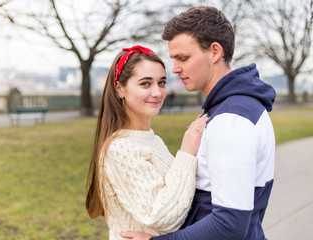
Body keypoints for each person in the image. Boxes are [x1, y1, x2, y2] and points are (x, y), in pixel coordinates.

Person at [120, 6, 276, 240]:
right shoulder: (236, 108)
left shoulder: (231, 121)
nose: (175, 68)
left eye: (183, 58)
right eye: (173, 59)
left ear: (214, 52)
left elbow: (229, 226)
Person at [85, 45, 209, 240]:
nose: (157, 92)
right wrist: (186, 153)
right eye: (145, 83)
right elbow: (160, 217)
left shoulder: (152, 140)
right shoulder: (120, 148)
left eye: (161, 82)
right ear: (120, 89)